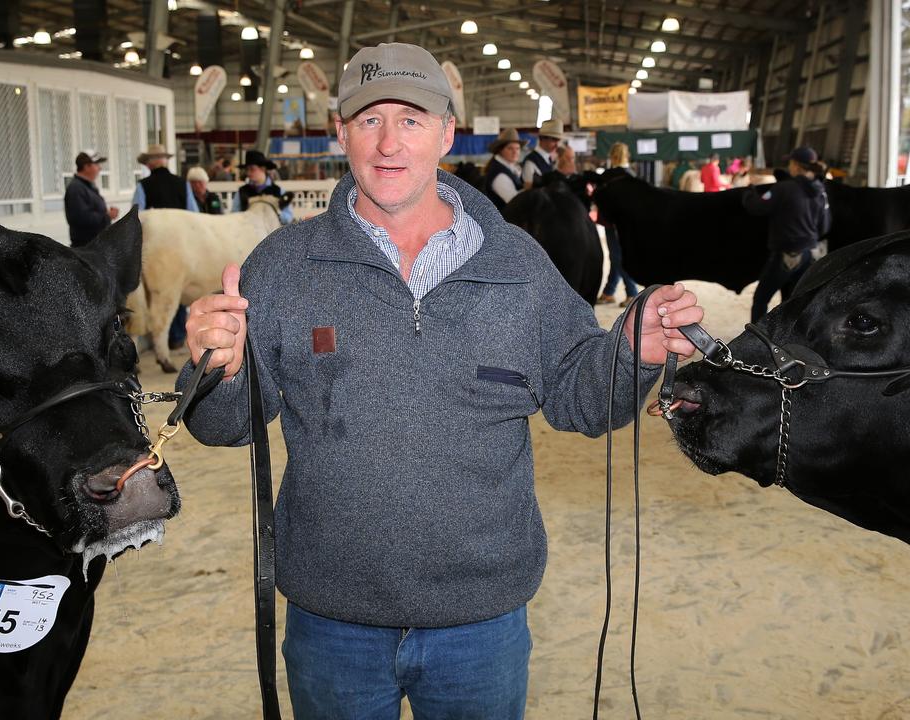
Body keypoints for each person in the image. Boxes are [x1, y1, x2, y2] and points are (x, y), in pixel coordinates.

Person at [178, 41, 704, 720]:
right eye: (369, 120)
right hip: (331, 620)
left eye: (412, 119)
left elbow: (583, 398)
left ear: (447, 133)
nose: (389, 142)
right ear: (340, 133)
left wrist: (634, 351)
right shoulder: (282, 266)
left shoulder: (516, 263)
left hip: (480, 624)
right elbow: (221, 426)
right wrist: (215, 367)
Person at [743, 145, 831, 322]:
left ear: (797, 166)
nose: (789, 166)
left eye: (791, 162)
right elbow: (824, 227)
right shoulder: (821, 191)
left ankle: (758, 341)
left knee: (761, 298)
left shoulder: (783, 188)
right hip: (810, 256)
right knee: (793, 300)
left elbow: (756, 207)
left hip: (787, 255)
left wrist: (749, 192)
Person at [134, 144, 195, 350]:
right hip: (183, 244)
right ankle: (177, 336)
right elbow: (194, 214)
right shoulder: (182, 184)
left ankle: (157, 338)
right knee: (179, 289)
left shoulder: (143, 185)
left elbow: (137, 216)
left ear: (149, 164)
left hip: (156, 245)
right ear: (165, 161)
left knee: (160, 291)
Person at [597, 142, 638, 304]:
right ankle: (609, 292)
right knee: (617, 256)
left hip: (612, 222)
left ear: (612, 156)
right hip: (627, 222)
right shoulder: (631, 174)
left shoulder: (608, 175)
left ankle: (632, 293)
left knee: (617, 256)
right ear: (627, 155)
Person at [63, 150, 118, 247]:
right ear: (86, 166)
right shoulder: (76, 188)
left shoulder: (86, 186)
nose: (100, 168)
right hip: (86, 248)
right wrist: (107, 216)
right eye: (96, 164)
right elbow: (80, 218)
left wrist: (106, 215)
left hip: (95, 246)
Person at [133, 143, 198, 212]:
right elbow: (194, 212)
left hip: (154, 222)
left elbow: (135, 216)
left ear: (149, 164)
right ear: (166, 163)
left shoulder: (143, 185)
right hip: (179, 222)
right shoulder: (183, 183)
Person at [237, 150, 294, 224]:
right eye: (247, 170)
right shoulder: (242, 192)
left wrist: (277, 214)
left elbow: (288, 217)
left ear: (263, 169)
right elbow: (235, 215)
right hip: (249, 232)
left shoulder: (278, 190)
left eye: (252, 169)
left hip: (272, 232)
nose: (248, 173)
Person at [484, 127, 524, 210]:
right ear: (500, 150)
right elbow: (515, 201)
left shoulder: (511, 167)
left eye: (517, 148)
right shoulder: (499, 174)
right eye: (510, 148)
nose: (515, 152)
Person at [521, 119, 563, 189]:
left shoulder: (548, 159)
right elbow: (529, 191)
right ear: (543, 139)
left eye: (558, 141)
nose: (557, 145)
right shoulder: (531, 162)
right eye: (554, 140)